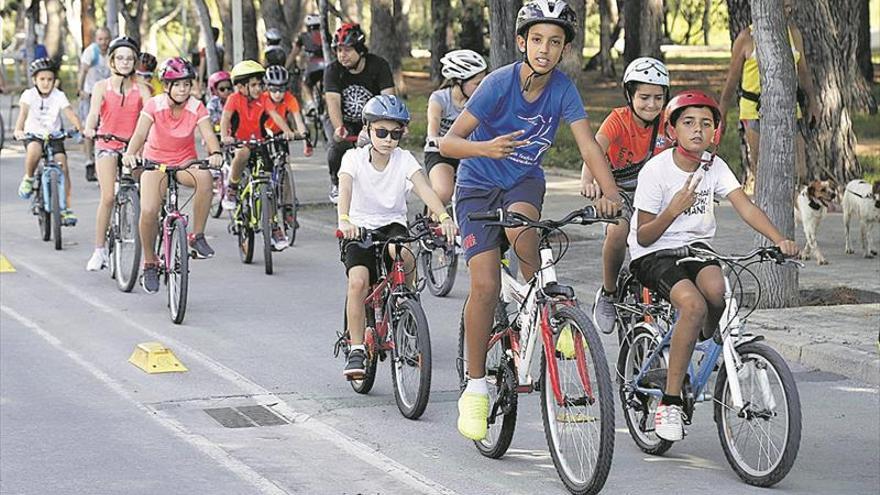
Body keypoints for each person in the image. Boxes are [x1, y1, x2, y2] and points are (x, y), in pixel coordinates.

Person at [438, 0, 622, 441]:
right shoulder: (499, 84)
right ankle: (477, 388)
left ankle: (541, 311)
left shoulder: (563, 90)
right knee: (483, 285)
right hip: (477, 186)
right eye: (537, 39)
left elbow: (588, 146)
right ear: (522, 42)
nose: (545, 48)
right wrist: (487, 149)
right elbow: (448, 143)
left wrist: (611, 193)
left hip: (523, 183)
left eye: (554, 42)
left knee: (526, 233)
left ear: (563, 50)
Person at [628, 90, 798, 441]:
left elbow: (745, 206)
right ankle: (671, 402)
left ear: (715, 132)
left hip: (695, 249)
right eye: (688, 123)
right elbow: (644, 236)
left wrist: (778, 238)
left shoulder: (714, 166)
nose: (698, 130)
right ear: (672, 130)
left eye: (706, 124)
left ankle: (697, 342)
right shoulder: (656, 171)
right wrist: (674, 209)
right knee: (692, 305)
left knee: (718, 290)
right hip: (653, 253)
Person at [337, 95, 455, 378]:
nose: (389, 139)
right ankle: (356, 349)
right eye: (381, 132)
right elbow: (345, 189)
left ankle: (406, 302)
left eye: (395, 133)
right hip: (360, 227)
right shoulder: (353, 158)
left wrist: (444, 217)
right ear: (367, 129)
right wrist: (344, 219)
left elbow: (425, 189)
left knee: (405, 256)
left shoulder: (404, 159)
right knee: (358, 282)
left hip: (392, 226)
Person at [585, 57, 673, 334]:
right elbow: (593, 150)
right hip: (618, 193)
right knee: (618, 232)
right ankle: (609, 293)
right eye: (644, 97)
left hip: (654, 195)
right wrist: (589, 182)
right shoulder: (618, 120)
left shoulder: (669, 123)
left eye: (658, 97)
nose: (651, 104)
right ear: (629, 95)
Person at [121, 57, 224, 294]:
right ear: (166, 86)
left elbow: (208, 135)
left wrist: (215, 152)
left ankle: (196, 236)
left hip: (185, 161)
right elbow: (139, 135)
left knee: (206, 179)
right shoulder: (154, 106)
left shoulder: (196, 106)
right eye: (177, 84)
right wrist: (130, 154)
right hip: (155, 163)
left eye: (186, 84)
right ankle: (149, 262)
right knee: (148, 210)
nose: (182, 89)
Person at [718, 0, 818, 193]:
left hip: (788, 109)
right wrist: (721, 111)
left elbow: (803, 72)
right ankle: (764, 215)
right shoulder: (747, 37)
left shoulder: (794, 35)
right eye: (783, 6)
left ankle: (794, 212)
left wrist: (813, 102)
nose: (788, 11)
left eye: (790, 6)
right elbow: (732, 79)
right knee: (763, 169)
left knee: (799, 169)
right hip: (755, 110)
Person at [83, 36, 152, 272]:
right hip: (107, 143)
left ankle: (152, 251)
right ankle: (99, 250)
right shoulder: (101, 87)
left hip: (134, 146)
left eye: (129, 58)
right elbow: (93, 113)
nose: (125, 62)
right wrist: (90, 127)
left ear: (134, 62)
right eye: (120, 58)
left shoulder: (143, 89)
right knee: (109, 197)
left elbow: (152, 116)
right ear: (112, 60)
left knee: (150, 195)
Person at [324, 23, 395, 204]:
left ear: (360, 50)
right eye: (339, 50)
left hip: (371, 120)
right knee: (337, 146)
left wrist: (391, 124)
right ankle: (336, 183)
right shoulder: (333, 70)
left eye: (347, 50)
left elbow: (389, 98)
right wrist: (339, 127)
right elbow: (332, 102)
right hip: (342, 118)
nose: (342, 55)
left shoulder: (378, 66)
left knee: (381, 148)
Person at [219, 60, 297, 210]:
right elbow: (225, 119)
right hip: (239, 142)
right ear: (241, 87)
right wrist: (224, 136)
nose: (258, 89)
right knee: (243, 153)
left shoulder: (264, 99)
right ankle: (232, 187)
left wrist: (287, 131)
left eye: (260, 85)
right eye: (253, 85)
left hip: (260, 141)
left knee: (268, 182)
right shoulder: (233, 99)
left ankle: (273, 225)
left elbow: (275, 115)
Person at [14, 58, 83, 225]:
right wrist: (18, 130)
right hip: (33, 135)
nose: (46, 83)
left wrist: (80, 128)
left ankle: (65, 208)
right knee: (35, 151)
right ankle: (29, 178)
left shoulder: (59, 96)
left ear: (55, 81)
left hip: (54, 136)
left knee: (63, 165)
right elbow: (22, 115)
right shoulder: (28, 95)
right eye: (42, 79)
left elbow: (70, 114)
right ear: (34, 80)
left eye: (50, 79)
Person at [424, 49, 488, 209]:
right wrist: (433, 137)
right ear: (459, 81)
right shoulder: (440, 98)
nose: (482, 87)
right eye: (477, 83)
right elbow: (434, 121)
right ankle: (427, 225)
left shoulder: (481, 101)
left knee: (480, 193)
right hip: (440, 152)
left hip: (468, 153)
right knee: (443, 191)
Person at [261, 64, 312, 249]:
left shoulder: (290, 99)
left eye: (281, 89)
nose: (277, 93)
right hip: (264, 134)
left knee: (285, 164)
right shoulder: (264, 98)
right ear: (267, 87)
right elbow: (273, 117)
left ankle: (289, 208)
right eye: (273, 89)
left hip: (282, 135)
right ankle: (268, 208)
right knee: (267, 175)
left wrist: (305, 139)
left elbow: (299, 120)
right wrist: (288, 130)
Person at [78, 27, 112, 182]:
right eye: (100, 39)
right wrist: (80, 90)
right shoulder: (91, 52)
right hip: (91, 94)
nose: (103, 42)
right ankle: (89, 161)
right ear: (95, 39)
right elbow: (83, 71)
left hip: (108, 96)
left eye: (106, 39)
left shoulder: (113, 52)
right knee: (89, 128)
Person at [292, 13, 327, 112]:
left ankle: (311, 105)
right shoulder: (326, 35)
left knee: (305, 84)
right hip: (327, 66)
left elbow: (293, 54)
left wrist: (286, 67)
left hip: (313, 66)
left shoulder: (303, 37)